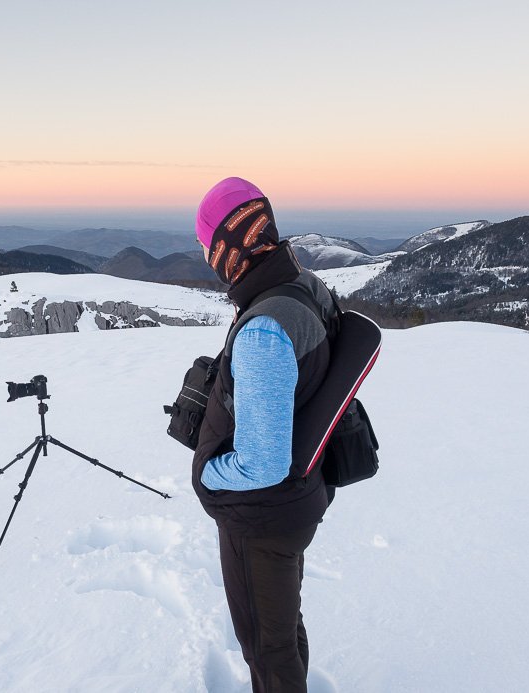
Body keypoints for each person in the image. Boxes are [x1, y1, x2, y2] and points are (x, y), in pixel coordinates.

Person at [191, 177, 337, 692]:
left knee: (266, 649)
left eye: (209, 246)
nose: (208, 257)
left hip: (262, 515)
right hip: (298, 498)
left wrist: (208, 474)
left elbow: (263, 463)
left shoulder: (263, 330)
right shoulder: (304, 286)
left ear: (230, 244)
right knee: (282, 630)